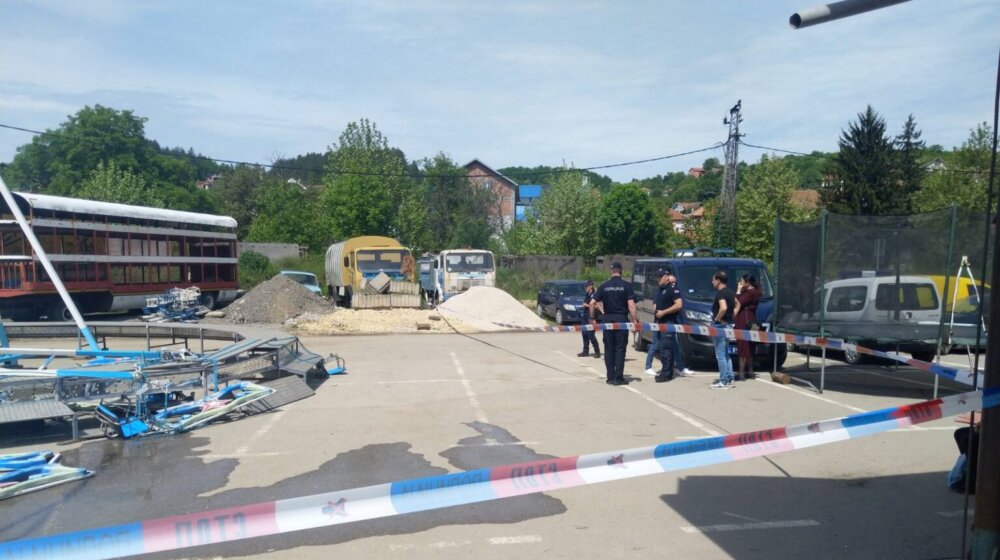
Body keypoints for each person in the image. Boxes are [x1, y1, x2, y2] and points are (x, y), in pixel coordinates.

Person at [591, 261, 638, 386]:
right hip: (621, 320)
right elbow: (631, 305)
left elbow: (592, 302)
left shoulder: (604, 286)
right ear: (621, 271)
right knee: (620, 349)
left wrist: (592, 317)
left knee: (609, 349)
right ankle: (618, 378)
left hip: (608, 320)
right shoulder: (626, 286)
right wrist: (634, 321)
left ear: (611, 271)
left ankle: (610, 377)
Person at [653, 269, 683, 383]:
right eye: (657, 276)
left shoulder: (672, 288)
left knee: (666, 349)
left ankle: (666, 374)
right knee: (663, 349)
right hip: (660, 323)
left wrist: (663, 312)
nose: (658, 278)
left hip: (668, 322)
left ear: (667, 277)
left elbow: (679, 305)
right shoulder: (661, 289)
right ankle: (666, 372)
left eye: (661, 276)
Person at [709, 271, 736, 389]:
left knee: (720, 355)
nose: (712, 282)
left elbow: (723, 307)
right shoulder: (730, 292)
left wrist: (717, 318)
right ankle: (729, 378)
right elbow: (738, 305)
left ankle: (723, 381)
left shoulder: (720, 293)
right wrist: (731, 317)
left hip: (720, 326)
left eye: (713, 280)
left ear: (718, 280)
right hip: (728, 325)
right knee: (726, 354)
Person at [732, 274, 761, 381]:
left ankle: (741, 372)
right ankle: (750, 371)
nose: (740, 282)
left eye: (742, 280)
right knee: (750, 345)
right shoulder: (754, 291)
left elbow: (738, 302)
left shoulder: (750, 292)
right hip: (752, 319)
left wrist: (738, 290)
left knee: (743, 345)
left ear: (747, 282)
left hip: (744, 320)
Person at [578, 280, 601, 358]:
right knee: (584, 333)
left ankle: (597, 351)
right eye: (584, 286)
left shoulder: (595, 295)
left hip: (591, 316)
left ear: (591, 286)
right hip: (585, 316)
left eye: (586, 286)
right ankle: (585, 351)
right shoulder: (587, 294)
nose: (585, 288)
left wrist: (587, 305)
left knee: (591, 334)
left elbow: (598, 306)